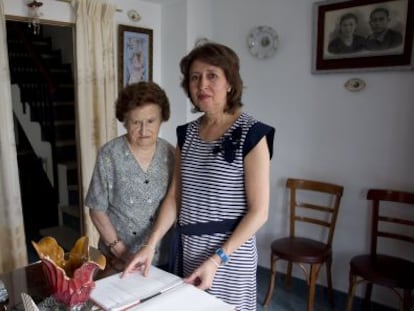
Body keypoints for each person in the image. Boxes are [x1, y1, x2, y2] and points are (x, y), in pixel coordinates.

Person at [123, 42, 275, 311]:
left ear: (230, 82)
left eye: (212, 75)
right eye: (195, 77)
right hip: (190, 248)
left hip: (230, 256)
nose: (202, 84)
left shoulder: (252, 134)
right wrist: (150, 244)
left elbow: (259, 212)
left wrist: (217, 259)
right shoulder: (188, 134)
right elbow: (175, 196)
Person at [85, 81, 175, 270]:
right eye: (136, 122)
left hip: (162, 256)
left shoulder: (172, 154)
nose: (144, 130)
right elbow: (96, 208)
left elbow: (175, 202)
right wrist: (121, 251)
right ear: (125, 121)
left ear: (161, 119)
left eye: (151, 121)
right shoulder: (109, 155)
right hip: (116, 258)